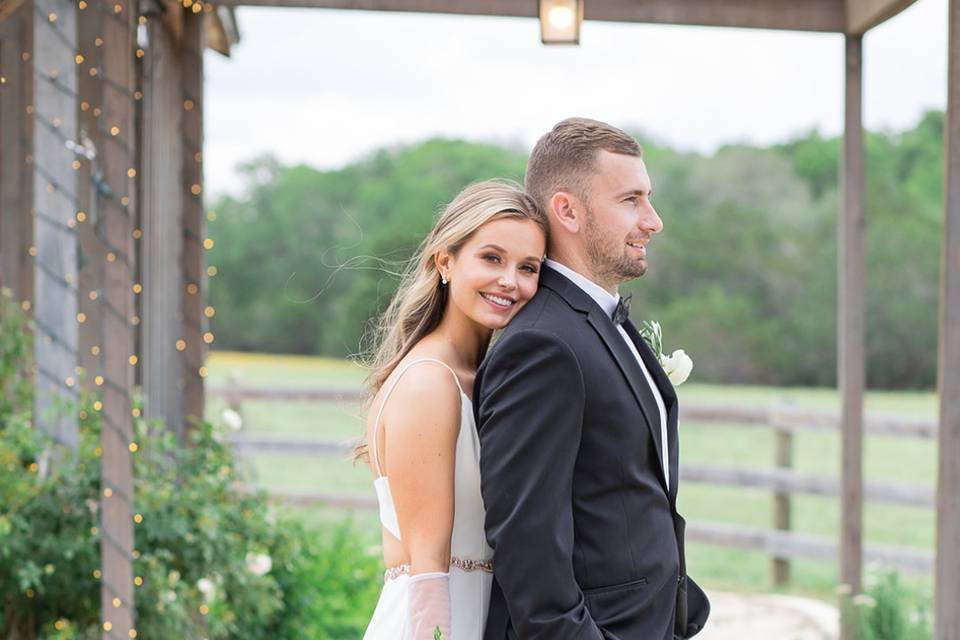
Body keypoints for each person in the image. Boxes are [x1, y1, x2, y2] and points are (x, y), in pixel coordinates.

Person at [475, 118, 710, 639]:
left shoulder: (594, 321)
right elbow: (527, 540)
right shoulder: (544, 344)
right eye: (632, 200)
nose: (654, 221)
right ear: (567, 210)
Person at [359, 179, 548, 639]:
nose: (510, 281)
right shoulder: (428, 381)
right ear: (445, 261)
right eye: (492, 258)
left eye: (528, 267)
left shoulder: (478, 378)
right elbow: (427, 566)